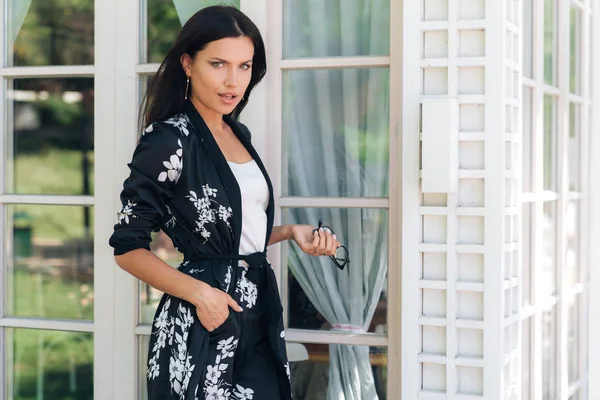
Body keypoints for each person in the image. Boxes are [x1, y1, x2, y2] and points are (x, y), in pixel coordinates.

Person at [108, 5, 340, 400]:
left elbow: (225, 237)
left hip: (258, 313)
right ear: (187, 63)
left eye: (245, 66)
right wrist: (201, 295)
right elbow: (127, 249)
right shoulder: (169, 140)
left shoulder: (237, 131)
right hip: (204, 320)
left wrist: (289, 232)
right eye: (218, 64)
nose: (233, 81)